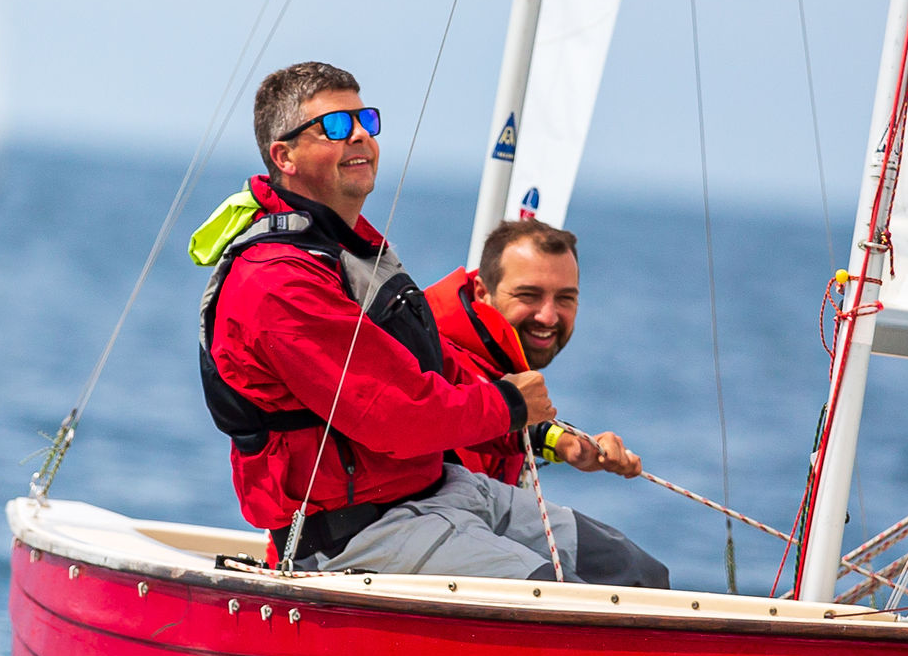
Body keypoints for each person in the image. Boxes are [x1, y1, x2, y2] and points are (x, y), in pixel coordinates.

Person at [193, 61, 667, 587]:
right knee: (562, 602)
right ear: (285, 156)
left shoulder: (348, 251)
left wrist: (543, 434)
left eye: (365, 120)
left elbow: (436, 371)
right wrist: (511, 405)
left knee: (637, 574)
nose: (359, 135)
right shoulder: (276, 281)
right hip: (359, 533)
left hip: (441, 490)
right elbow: (393, 416)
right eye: (334, 126)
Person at [426, 220, 673, 589]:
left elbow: (506, 417)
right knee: (573, 593)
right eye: (529, 295)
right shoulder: (431, 351)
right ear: (482, 291)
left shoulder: (501, 364)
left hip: (481, 526)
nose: (548, 316)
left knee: (643, 577)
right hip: (421, 535)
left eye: (565, 298)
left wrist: (570, 443)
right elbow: (468, 406)